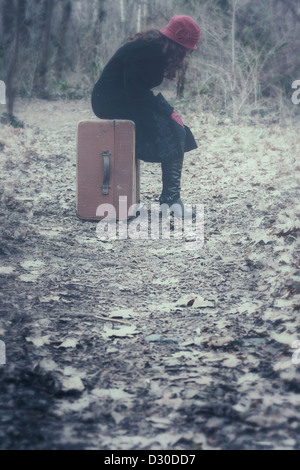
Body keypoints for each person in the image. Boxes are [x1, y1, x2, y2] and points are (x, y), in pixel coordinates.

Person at [91, 15, 201, 218]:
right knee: (176, 131)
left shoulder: (155, 47)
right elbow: (135, 92)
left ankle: (170, 201)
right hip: (109, 101)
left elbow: (137, 92)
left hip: (123, 100)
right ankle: (170, 202)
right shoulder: (148, 50)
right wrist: (168, 110)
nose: (187, 53)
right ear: (179, 44)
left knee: (177, 130)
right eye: (187, 48)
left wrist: (167, 111)